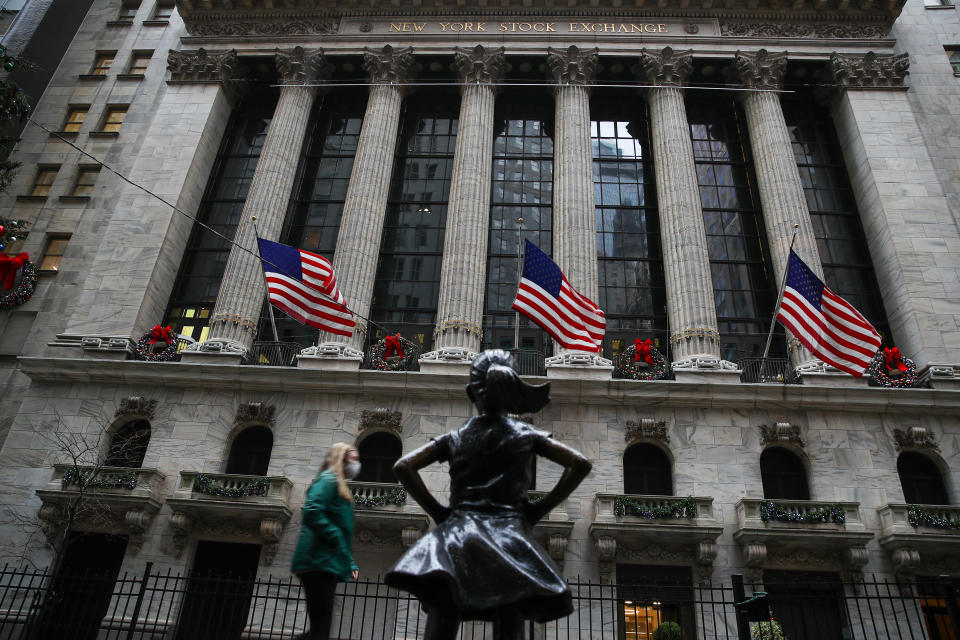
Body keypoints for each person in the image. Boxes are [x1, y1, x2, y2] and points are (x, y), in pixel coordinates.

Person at [385, 350, 592, 640]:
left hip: (457, 535)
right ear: (509, 392)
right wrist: (539, 509)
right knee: (508, 620)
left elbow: (403, 466)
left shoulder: (455, 437)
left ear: (472, 393)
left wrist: (439, 513)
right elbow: (580, 463)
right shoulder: (525, 434)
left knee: (443, 616)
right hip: (508, 536)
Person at [291, 442, 361, 640]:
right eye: (353, 459)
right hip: (317, 562)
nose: (357, 463)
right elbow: (312, 510)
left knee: (320, 628)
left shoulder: (339, 485)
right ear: (341, 459)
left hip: (326, 562)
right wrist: (335, 536)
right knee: (321, 628)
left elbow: (343, 533)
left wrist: (350, 562)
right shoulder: (329, 480)